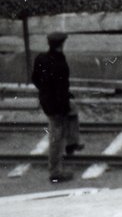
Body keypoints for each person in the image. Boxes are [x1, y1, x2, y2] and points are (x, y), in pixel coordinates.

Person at [31, 31, 85, 182]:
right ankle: (55, 172)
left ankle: (72, 143)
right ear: (62, 44)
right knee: (56, 137)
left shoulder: (41, 58)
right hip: (56, 105)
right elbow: (61, 87)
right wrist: (62, 106)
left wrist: (45, 91)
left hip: (47, 101)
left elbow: (35, 78)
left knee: (73, 109)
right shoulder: (60, 63)